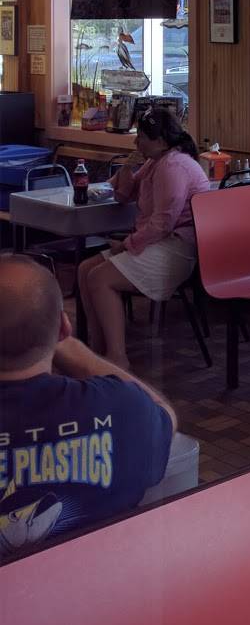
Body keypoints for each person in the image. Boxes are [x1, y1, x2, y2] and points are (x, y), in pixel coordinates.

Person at [0, 256, 175, 559]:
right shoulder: (126, 410)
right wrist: (77, 352)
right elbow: (165, 415)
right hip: (101, 583)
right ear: (63, 327)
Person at [77, 107, 210, 370]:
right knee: (84, 270)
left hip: (177, 248)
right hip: (158, 242)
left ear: (159, 141)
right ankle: (97, 346)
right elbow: (124, 194)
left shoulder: (173, 166)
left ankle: (117, 356)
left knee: (99, 278)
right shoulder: (154, 161)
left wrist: (127, 244)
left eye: (141, 137)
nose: (136, 142)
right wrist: (127, 166)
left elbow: (163, 224)